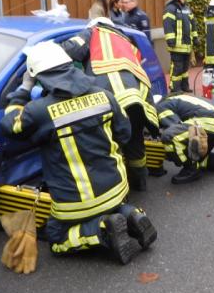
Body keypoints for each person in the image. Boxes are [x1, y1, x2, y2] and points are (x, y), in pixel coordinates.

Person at [0, 41, 157, 264]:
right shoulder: (105, 95)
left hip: (75, 202)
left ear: (38, 76)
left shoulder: (39, 111)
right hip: (116, 188)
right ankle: (131, 213)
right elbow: (125, 133)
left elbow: (9, 125)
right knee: (111, 205)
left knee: (56, 237)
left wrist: (24, 89)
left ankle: (102, 228)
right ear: (69, 65)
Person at [61, 17, 159, 191]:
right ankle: (139, 183)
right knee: (135, 140)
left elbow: (71, 49)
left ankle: (117, 191)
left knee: (108, 144)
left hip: (110, 100)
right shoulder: (127, 41)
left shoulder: (94, 31)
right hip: (135, 99)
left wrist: (44, 54)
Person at [155, 94, 214, 184]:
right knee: (200, 161)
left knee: (168, 137)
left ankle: (190, 169)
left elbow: (174, 126)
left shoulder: (160, 107)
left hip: (204, 122)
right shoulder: (176, 99)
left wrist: (168, 153)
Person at [163, 0, 198, 93]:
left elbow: (193, 23)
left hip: (186, 45)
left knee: (185, 68)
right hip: (176, 45)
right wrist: (170, 39)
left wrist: (195, 37)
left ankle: (184, 86)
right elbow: (168, 25)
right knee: (177, 67)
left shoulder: (186, 8)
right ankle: (175, 88)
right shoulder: (170, 9)